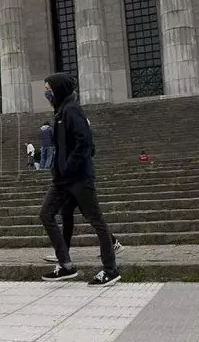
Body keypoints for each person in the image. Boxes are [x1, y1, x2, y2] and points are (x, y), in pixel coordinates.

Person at [39, 73, 120, 286]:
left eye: (48, 88)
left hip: (78, 178)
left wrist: (68, 166)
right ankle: (66, 265)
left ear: (58, 89)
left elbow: (85, 142)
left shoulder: (71, 110)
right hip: (62, 180)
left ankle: (110, 269)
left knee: (96, 220)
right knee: (46, 214)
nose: (46, 93)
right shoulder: (60, 111)